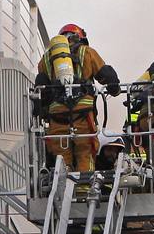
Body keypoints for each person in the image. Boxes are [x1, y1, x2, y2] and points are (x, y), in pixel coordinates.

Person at [35, 23, 121, 173]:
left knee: (62, 156)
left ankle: (63, 182)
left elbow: (41, 88)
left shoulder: (46, 59)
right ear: (80, 38)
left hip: (57, 116)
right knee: (85, 153)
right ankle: (84, 188)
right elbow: (107, 75)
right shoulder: (87, 52)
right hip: (83, 114)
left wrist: (40, 111)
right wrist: (115, 89)